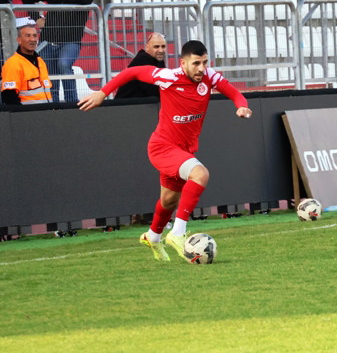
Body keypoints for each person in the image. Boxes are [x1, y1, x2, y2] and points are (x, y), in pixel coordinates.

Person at [78, 40, 252, 262]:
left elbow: (235, 93)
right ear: (183, 63)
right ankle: (178, 233)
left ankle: (152, 236)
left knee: (169, 202)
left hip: (183, 150)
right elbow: (132, 72)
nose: (201, 68)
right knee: (200, 174)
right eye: (196, 63)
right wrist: (103, 93)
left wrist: (242, 105)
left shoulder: (209, 77)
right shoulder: (168, 76)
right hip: (162, 147)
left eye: (205, 62)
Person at [20, 0, 94, 103]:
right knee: (50, 75)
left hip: (71, 41)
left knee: (64, 65)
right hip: (48, 40)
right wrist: (37, 18)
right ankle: (52, 106)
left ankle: (71, 103)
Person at [0, 24, 53, 105]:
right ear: (19, 40)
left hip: (46, 111)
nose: (32, 39)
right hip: (27, 112)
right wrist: (23, 112)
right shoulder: (13, 63)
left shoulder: (40, 61)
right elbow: (9, 96)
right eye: (28, 36)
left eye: (35, 36)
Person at [114, 32, 167, 99]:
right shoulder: (143, 60)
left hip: (141, 102)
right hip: (127, 104)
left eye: (163, 46)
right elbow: (153, 90)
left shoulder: (158, 60)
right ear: (147, 47)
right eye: (156, 47)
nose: (161, 50)